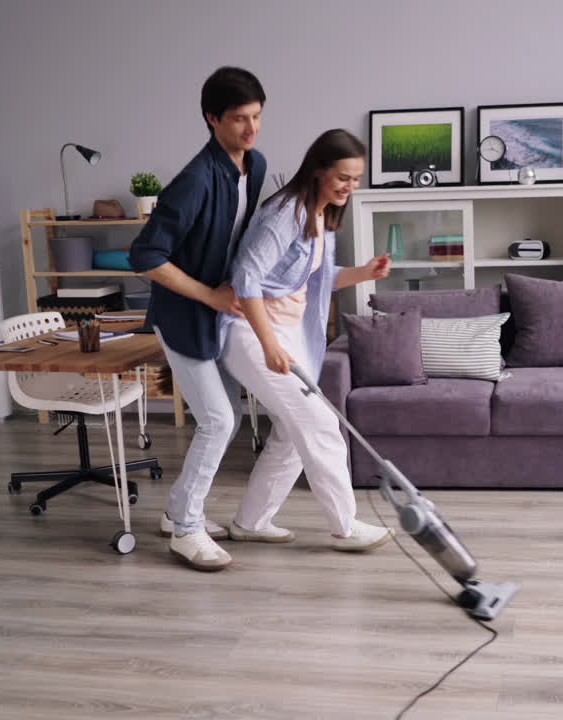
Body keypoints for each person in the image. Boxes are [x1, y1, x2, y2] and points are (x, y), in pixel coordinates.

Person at [220, 128, 394, 552]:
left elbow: (316, 278)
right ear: (318, 171)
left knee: (291, 432)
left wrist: (364, 272)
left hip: (283, 332)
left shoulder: (322, 215)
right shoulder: (287, 212)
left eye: (356, 180)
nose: (350, 188)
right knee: (319, 424)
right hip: (250, 332)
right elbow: (246, 277)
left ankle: (251, 521)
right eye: (343, 178)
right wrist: (268, 344)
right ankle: (346, 527)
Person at [127, 67, 266, 571]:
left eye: (256, 117)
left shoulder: (254, 163)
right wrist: (208, 294)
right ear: (212, 119)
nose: (250, 130)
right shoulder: (193, 180)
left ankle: (177, 511)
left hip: (217, 310)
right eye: (238, 120)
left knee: (222, 419)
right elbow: (143, 255)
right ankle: (186, 530)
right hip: (183, 313)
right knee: (219, 419)